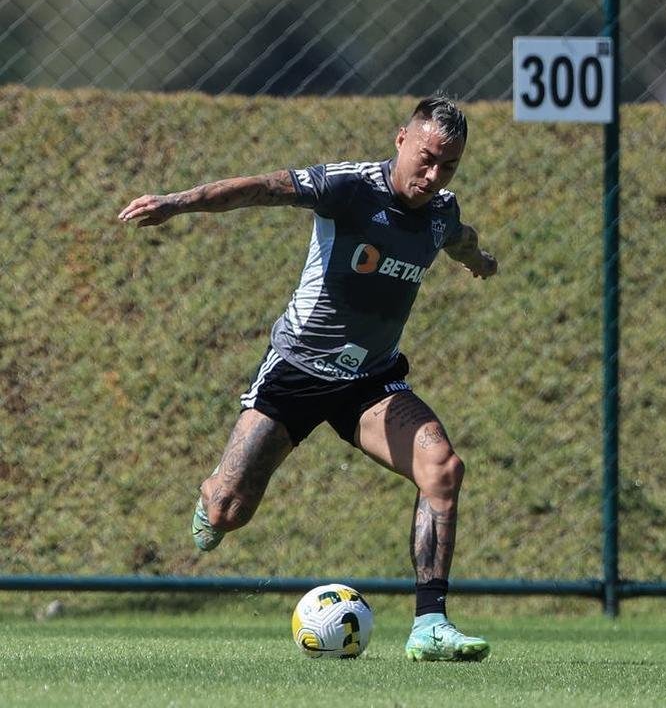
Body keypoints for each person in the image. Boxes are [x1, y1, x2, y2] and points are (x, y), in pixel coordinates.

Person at [118, 94, 498, 662]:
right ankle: (213, 500)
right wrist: (176, 203)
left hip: (370, 382)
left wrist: (478, 260)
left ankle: (430, 624)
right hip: (296, 370)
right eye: (426, 157)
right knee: (228, 510)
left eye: (449, 166)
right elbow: (263, 188)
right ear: (401, 140)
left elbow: (458, 235)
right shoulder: (349, 188)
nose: (434, 174)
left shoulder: (439, 211)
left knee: (442, 468)